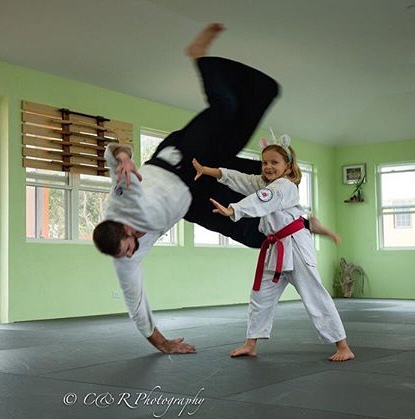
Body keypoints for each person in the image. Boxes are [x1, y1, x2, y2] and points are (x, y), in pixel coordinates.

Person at [93, 23, 337, 354]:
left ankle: (199, 57)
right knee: (255, 235)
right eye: (126, 254)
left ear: (124, 226)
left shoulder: (123, 199)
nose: (133, 252)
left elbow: (112, 151)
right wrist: (163, 344)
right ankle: (306, 223)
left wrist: (122, 155)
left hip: (182, 159)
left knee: (230, 110)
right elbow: (135, 302)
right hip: (192, 200)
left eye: (130, 245)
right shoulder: (123, 257)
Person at [192, 134, 355, 362]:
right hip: (275, 248)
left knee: (314, 295)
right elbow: (238, 178)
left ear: (287, 166)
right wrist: (208, 171)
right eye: (265, 162)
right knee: (260, 295)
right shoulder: (264, 183)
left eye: (274, 162)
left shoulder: (285, 186)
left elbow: (263, 199)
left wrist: (234, 210)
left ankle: (343, 346)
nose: (268, 167)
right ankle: (251, 344)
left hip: (296, 246)